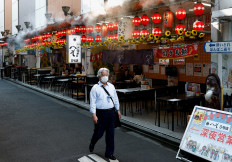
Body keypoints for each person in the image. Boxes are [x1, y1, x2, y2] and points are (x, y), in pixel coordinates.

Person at [89, 67, 121, 160]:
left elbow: (115, 98)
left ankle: (109, 153)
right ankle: (93, 142)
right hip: (100, 113)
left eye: (107, 75)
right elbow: (93, 102)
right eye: (103, 75)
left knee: (111, 134)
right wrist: (94, 115)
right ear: (99, 76)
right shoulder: (95, 88)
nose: (105, 77)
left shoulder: (111, 86)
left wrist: (117, 109)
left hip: (110, 112)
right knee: (99, 133)